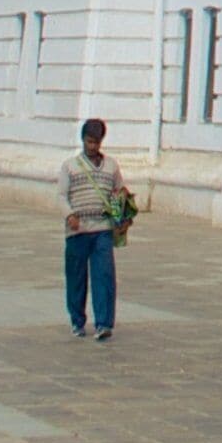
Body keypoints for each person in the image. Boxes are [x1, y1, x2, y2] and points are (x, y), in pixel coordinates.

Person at [59, 119, 130, 339]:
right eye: (89, 141)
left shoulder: (111, 166)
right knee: (76, 276)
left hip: (102, 229)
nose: (92, 146)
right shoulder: (70, 166)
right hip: (78, 230)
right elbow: (61, 195)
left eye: (96, 142)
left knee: (104, 275)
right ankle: (77, 320)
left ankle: (104, 323)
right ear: (83, 140)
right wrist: (69, 214)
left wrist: (121, 218)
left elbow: (119, 192)